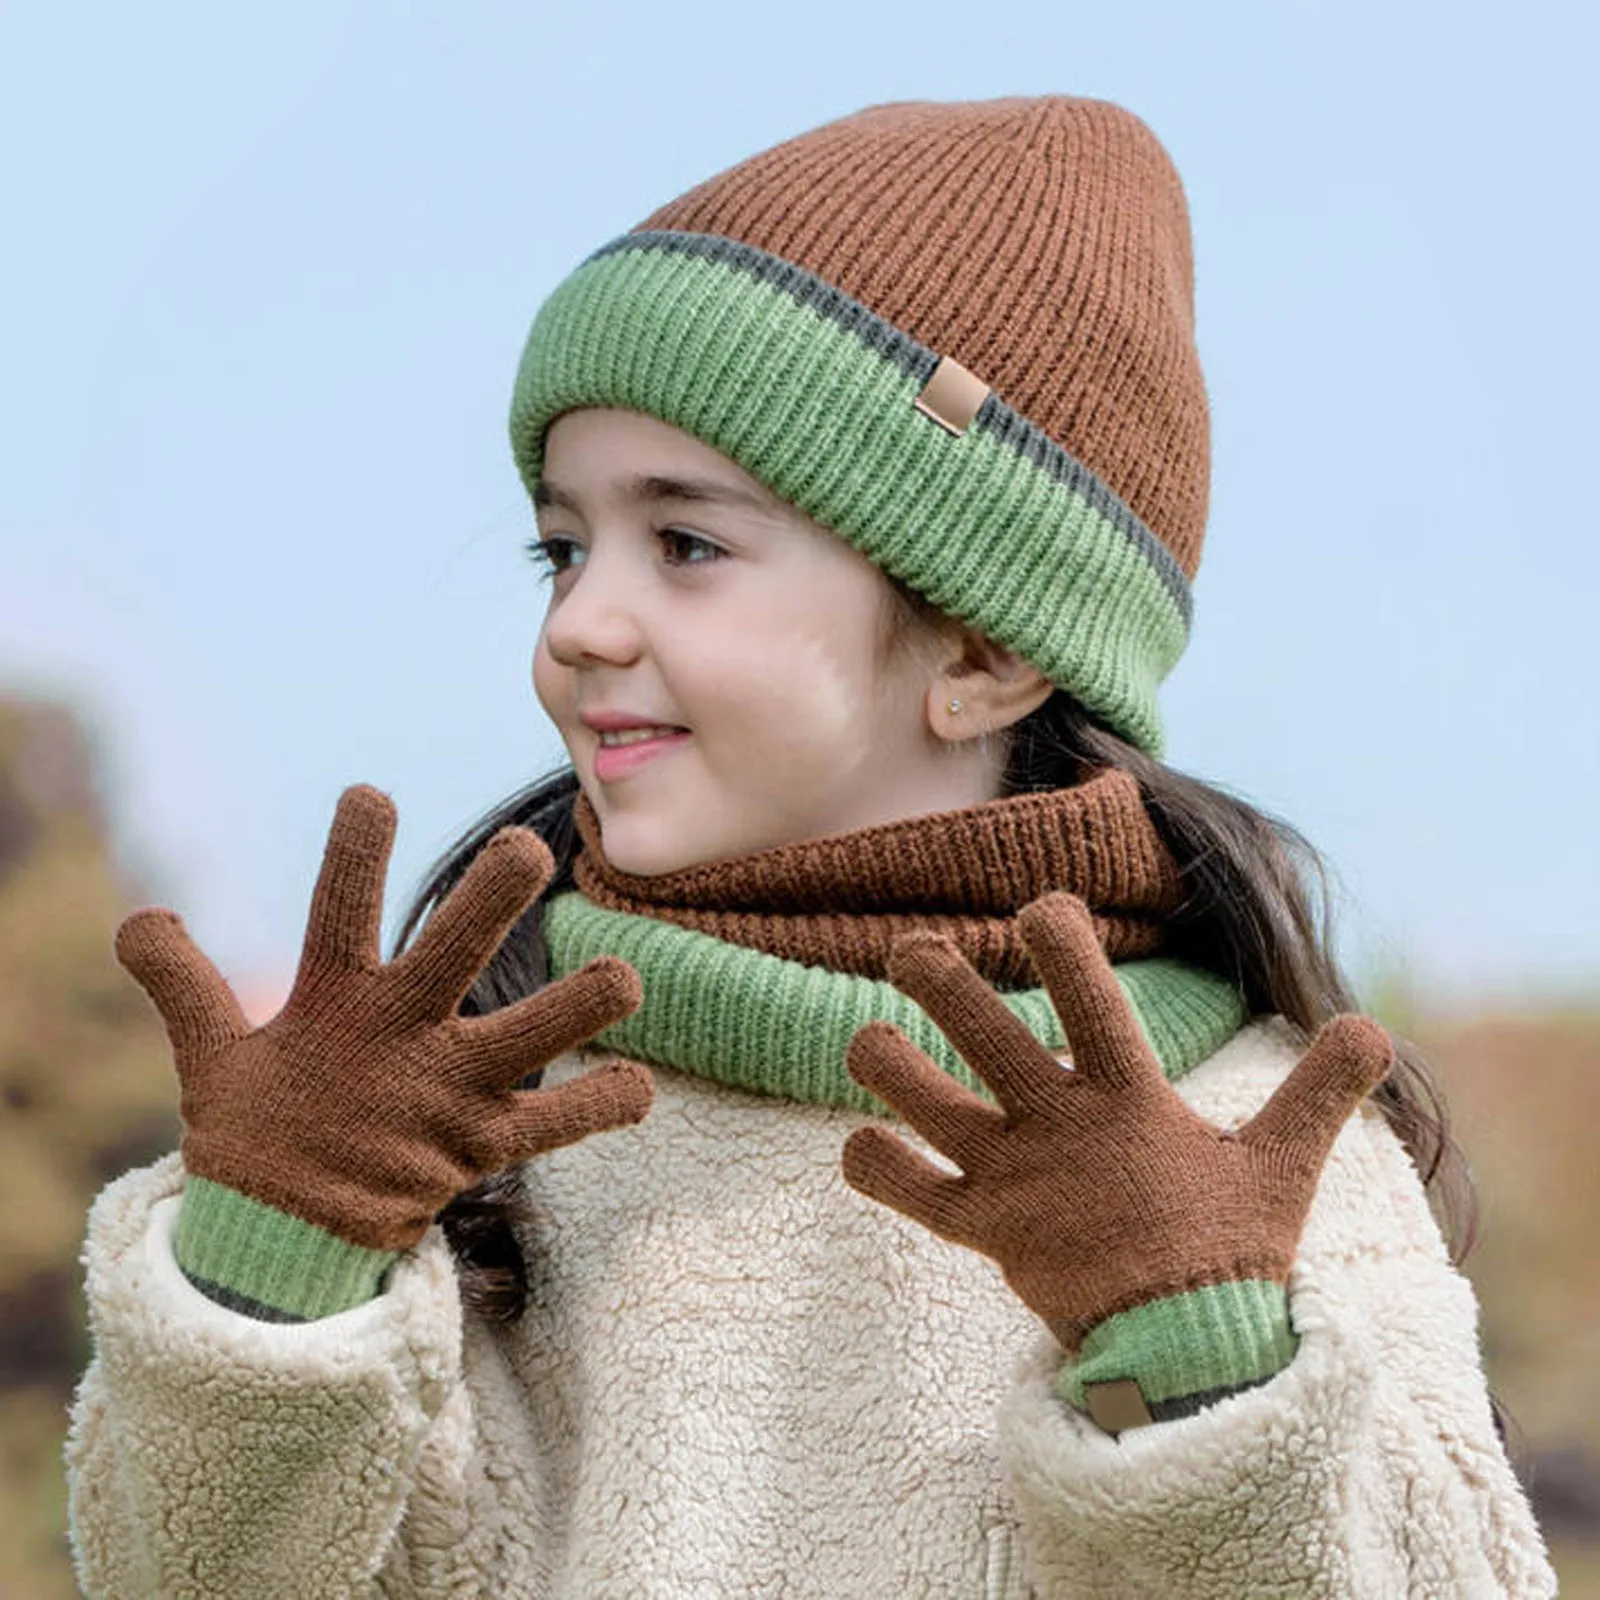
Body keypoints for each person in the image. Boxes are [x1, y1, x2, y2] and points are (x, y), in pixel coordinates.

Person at [65, 96, 1555, 1597]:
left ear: (979, 648)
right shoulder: (483, 1115)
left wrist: (1199, 1381)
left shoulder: (1238, 1144)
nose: (579, 621)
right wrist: (266, 1286)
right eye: (562, 544)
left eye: (688, 545)